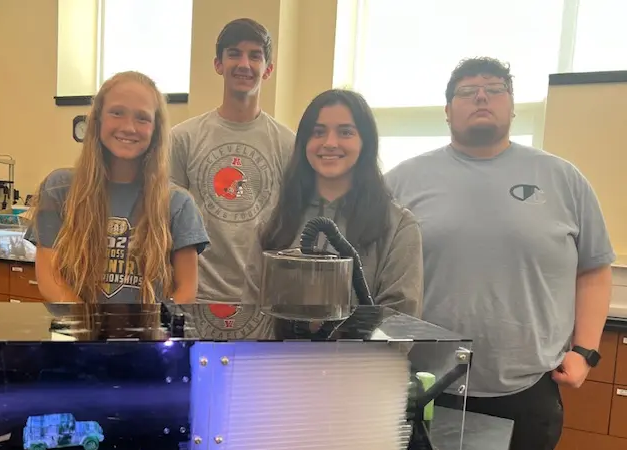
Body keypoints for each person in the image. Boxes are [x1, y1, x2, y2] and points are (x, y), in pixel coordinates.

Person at [385, 57, 614, 450]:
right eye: (467, 91)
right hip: (426, 384)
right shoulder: (402, 180)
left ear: (512, 106)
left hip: (527, 385)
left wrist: (585, 350)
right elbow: (370, 268)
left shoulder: (562, 179)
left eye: (494, 88)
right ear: (448, 110)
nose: (482, 97)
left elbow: (594, 269)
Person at [26, 71, 209, 304]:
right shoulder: (59, 189)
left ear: (156, 129)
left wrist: (150, 334)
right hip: (77, 336)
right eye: (117, 113)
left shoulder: (178, 204)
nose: (129, 127)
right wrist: (91, 331)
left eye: (142, 118)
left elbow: (186, 290)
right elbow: (51, 279)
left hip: (148, 338)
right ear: (98, 119)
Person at [241, 89, 424, 317]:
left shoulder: (398, 226)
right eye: (318, 132)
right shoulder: (274, 221)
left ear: (365, 142)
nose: (329, 143)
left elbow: (400, 321)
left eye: (345, 132)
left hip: (366, 354)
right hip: (280, 353)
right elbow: (251, 311)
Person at [170, 18, 295, 302]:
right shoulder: (183, 138)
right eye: (234, 53)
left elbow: (292, 225)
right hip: (196, 300)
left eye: (255, 56)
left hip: (263, 303)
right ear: (218, 64)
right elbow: (167, 223)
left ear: (268, 69)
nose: (244, 64)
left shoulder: (289, 144)